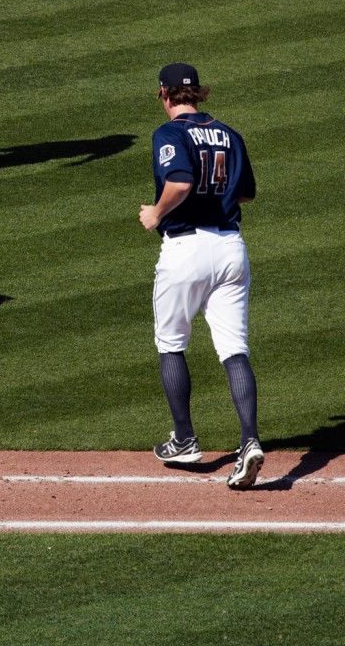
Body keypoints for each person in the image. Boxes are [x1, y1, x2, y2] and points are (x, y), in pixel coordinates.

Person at [139, 62, 264, 490]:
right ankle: (249, 441)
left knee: (171, 343)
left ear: (164, 93)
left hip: (186, 250)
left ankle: (185, 440)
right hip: (230, 248)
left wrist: (155, 212)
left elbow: (180, 181)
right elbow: (245, 191)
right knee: (234, 349)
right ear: (197, 93)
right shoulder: (229, 133)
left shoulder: (169, 134)